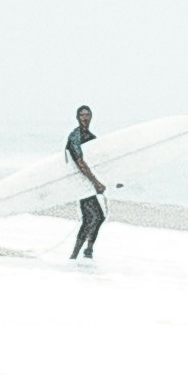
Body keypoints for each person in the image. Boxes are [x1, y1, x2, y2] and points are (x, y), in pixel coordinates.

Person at [63, 102, 105, 260]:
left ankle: (88, 251)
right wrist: (96, 182)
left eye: (88, 115)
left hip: (89, 183)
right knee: (92, 218)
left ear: (91, 117)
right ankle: (74, 255)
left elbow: (99, 163)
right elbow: (80, 162)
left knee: (98, 217)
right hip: (79, 183)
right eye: (82, 115)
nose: (85, 118)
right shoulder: (75, 136)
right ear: (77, 118)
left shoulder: (91, 138)